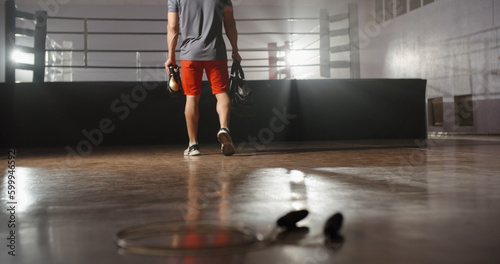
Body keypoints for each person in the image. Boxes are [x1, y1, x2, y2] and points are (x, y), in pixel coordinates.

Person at [166, 0, 242, 156]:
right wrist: (235, 50)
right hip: (216, 53)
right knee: (222, 94)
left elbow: (173, 27)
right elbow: (230, 24)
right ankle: (223, 128)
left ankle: (193, 145)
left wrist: (171, 57)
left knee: (192, 98)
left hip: (190, 54)